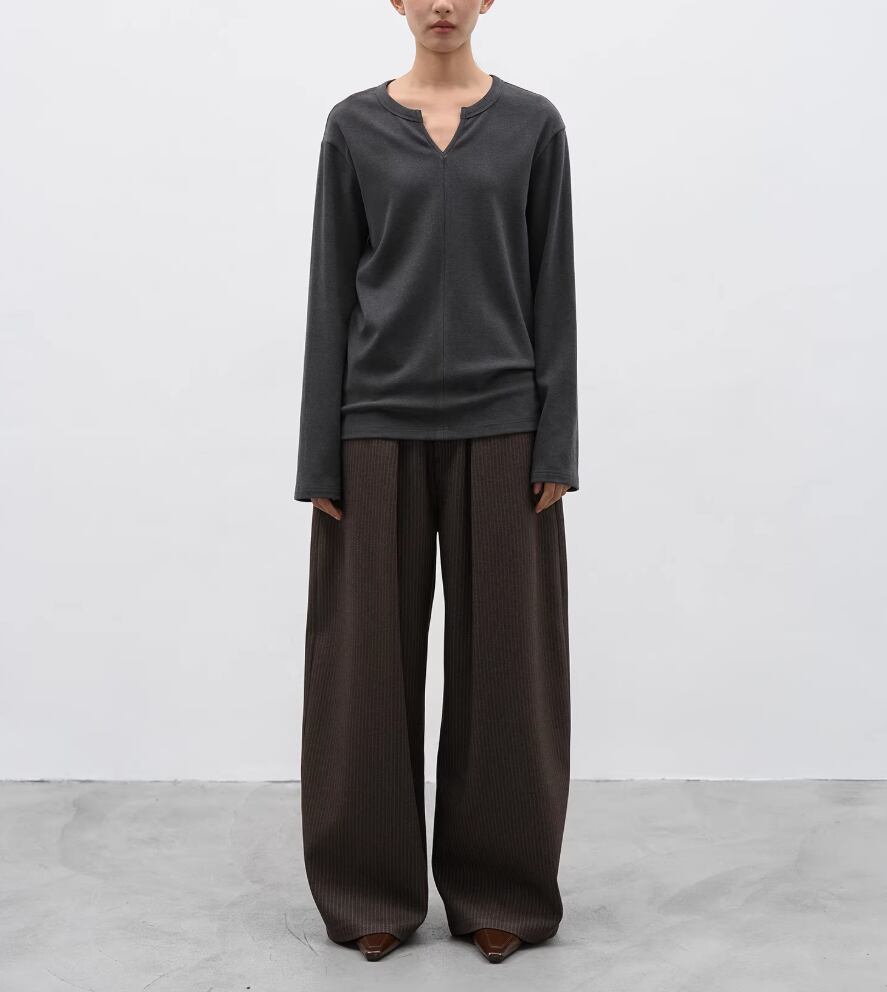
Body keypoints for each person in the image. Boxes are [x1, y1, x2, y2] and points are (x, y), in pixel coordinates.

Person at [293, 0, 578, 965]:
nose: (442, 4)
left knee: (509, 670)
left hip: (505, 427)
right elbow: (330, 287)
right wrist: (318, 454)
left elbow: (553, 286)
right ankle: (368, 892)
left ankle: (500, 891)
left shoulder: (533, 125)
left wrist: (555, 444)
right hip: (374, 426)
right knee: (361, 672)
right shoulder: (353, 125)